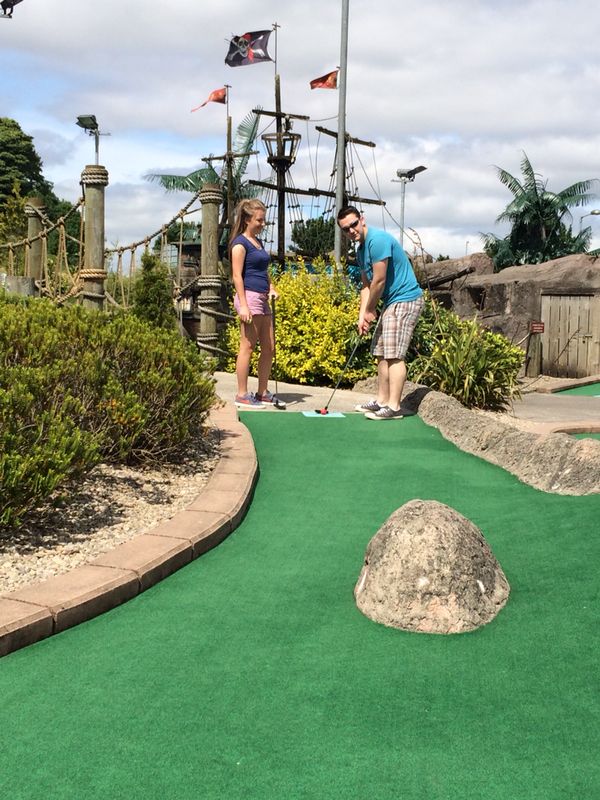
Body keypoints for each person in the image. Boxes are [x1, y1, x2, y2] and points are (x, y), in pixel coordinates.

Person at [337, 205, 424, 420]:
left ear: (362, 220)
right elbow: (366, 286)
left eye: (353, 224)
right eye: (346, 229)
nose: (351, 231)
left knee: (394, 354)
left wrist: (370, 310)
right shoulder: (360, 250)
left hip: (405, 299)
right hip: (391, 302)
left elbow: (380, 280)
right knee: (381, 352)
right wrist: (362, 316)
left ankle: (394, 407)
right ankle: (382, 401)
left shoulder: (377, 241)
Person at [230, 198, 285, 409]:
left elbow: (263, 271)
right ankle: (242, 394)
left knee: (269, 347)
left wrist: (270, 288)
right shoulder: (240, 244)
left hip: (262, 297)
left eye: (264, 220)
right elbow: (237, 276)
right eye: (259, 220)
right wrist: (243, 305)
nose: (263, 224)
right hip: (249, 298)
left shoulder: (258, 243)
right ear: (247, 220)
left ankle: (262, 392)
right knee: (248, 346)